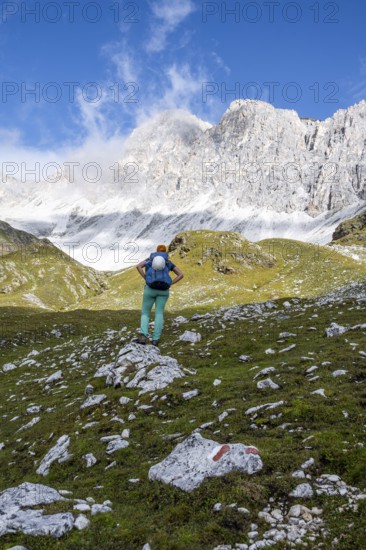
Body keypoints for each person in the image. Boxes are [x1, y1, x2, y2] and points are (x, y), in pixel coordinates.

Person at [135, 244, 184, 346]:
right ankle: (155, 339)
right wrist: (171, 283)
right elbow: (181, 275)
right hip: (163, 291)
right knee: (159, 313)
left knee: (145, 313)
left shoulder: (150, 260)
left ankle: (143, 337)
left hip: (150, 289)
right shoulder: (168, 262)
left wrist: (145, 278)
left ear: (156, 251)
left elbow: (138, 266)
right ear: (165, 252)